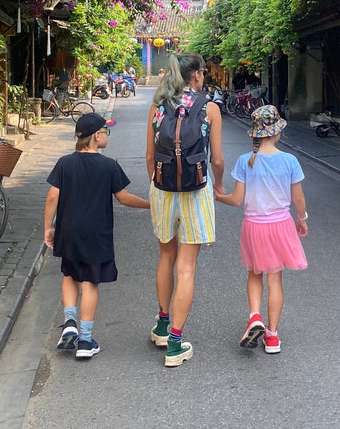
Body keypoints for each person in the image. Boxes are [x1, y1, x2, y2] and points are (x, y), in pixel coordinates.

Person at [44, 113, 150, 359]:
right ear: (96, 136)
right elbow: (123, 198)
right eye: (105, 131)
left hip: (68, 230)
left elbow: (52, 196)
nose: (106, 135)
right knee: (90, 283)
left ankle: (69, 322)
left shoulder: (64, 163)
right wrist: (150, 205)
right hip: (96, 234)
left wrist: (48, 227)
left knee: (70, 274)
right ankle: (85, 340)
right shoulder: (109, 165)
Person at [145, 51, 225, 368]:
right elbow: (216, 159)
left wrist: (156, 182)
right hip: (196, 190)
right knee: (187, 267)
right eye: (203, 72)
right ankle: (175, 344)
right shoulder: (210, 109)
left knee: (166, 255)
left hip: (163, 188)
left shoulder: (157, 107)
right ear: (196, 76)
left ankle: (163, 326)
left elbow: (149, 156)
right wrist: (218, 185)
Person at [215, 105, 307, 354]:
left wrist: (218, 196)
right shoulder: (290, 161)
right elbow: (298, 198)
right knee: (275, 279)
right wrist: (302, 218)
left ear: (255, 133)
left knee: (255, 273)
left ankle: (254, 316)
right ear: (277, 132)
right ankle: (273, 336)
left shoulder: (246, 161)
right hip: (281, 225)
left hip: (254, 226)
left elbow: (236, 200)